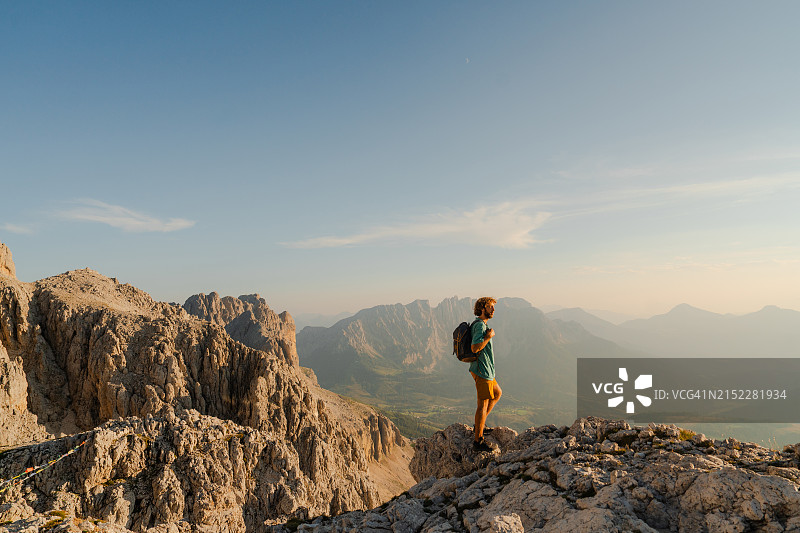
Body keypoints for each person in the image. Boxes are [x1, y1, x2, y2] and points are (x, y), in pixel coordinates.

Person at [469, 296, 502, 452]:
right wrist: (488, 337)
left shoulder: (482, 325)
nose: (493, 309)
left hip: (487, 370)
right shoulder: (480, 327)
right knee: (482, 404)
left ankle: (479, 426)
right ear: (482, 308)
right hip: (482, 370)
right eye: (490, 306)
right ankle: (478, 441)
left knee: (497, 393)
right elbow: (475, 348)